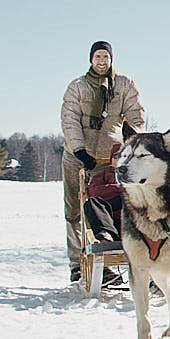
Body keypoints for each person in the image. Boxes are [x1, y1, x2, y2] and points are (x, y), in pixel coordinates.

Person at [61, 41, 145, 283]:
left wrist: (132, 146)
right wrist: (79, 151)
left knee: (106, 202)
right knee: (74, 209)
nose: (101, 61)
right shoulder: (77, 86)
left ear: (111, 60)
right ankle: (77, 262)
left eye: (105, 57)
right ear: (90, 59)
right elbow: (70, 119)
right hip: (77, 155)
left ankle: (108, 250)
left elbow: (136, 116)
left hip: (108, 156)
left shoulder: (124, 84)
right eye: (97, 57)